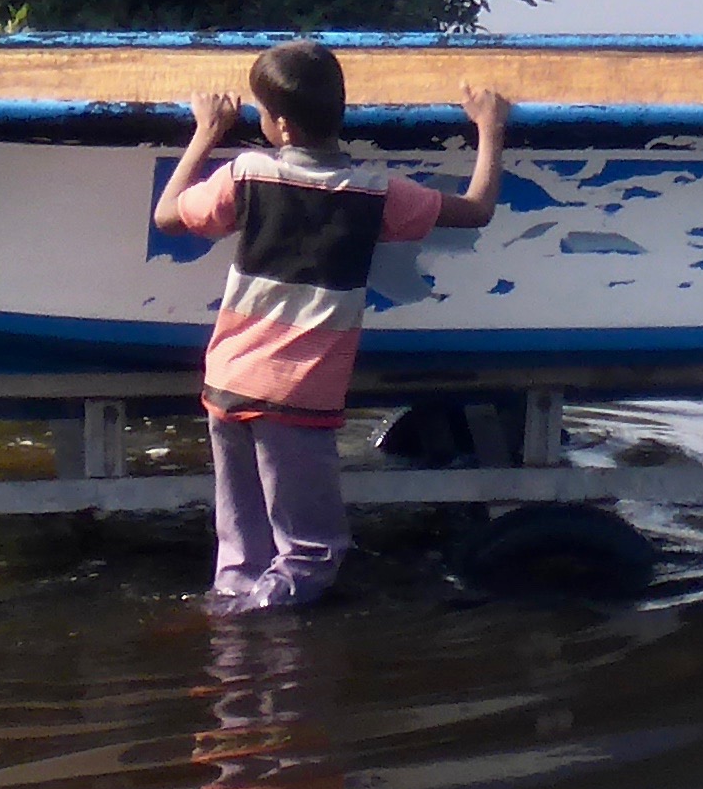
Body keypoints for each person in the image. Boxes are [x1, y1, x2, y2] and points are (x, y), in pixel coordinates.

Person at [155, 45, 511, 613]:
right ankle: (243, 629)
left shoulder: (245, 174)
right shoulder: (374, 193)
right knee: (311, 553)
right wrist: (490, 129)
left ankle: (232, 635)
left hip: (226, 382)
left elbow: (168, 216)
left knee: (240, 550)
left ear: (280, 126)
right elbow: (475, 210)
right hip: (298, 395)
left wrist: (205, 133)